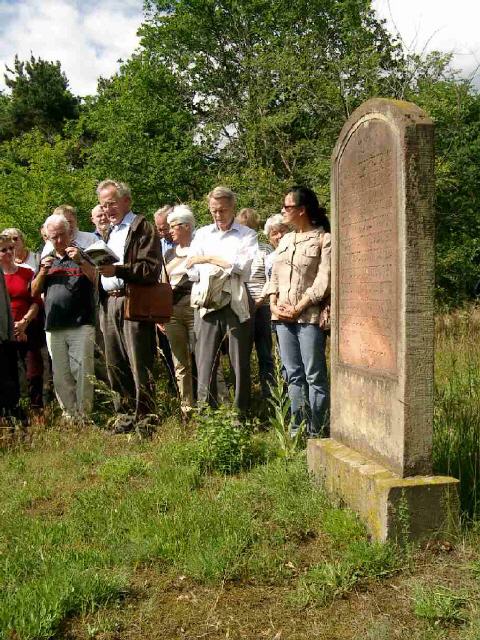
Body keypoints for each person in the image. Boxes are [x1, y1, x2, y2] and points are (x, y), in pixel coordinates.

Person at [96, 179, 161, 433]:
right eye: (103, 205)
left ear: (127, 201)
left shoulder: (142, 227)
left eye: (111, 203)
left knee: (139, 362)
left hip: (133, 300)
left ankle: (146, 418)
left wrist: (118, 270)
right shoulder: (109, 232)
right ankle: (124, 417)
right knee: (115, 364)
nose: (107, 209)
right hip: (109, 302)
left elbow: (150, 269)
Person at [187, 186, 258, 416]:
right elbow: (192, 271)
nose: (219, 215)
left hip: (235, 299)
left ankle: (240, 414)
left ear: (233, 208)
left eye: (223, 210)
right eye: (214, 210)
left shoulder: (247, 234)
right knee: (205, 360)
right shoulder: (202, 234)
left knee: (240, 361)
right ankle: (207, 413)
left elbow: (241, 266)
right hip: (207, 300)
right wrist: (218, 262)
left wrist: (207, 259)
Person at [268, 186, 331, 437]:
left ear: (302, 210)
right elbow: (274, 277)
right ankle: (298, 431)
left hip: (308, 318)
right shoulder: (284, 240)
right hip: (282, 319)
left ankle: (317, 431)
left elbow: (323, 281)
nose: (283, 210)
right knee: (293, 375)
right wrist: (273, 304)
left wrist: (299, 306)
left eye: (288, 207)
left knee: (314, 375)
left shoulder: (323, 239)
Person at [31, 214, 96, 421]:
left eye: (61, 235)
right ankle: (70, 417)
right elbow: (33, 292)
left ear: (70, 233)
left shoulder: (83, 254)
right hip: (54, 325)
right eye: (53, 237)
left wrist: (80, 261)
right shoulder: (45, 259)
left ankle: (84, 416)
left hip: (81, 323)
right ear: (48, 237)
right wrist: (43, 272)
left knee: (82, 372)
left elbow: (97, 280)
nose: (58, 241)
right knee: (60, 375)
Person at [0, 234, 43, 410]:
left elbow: (36, 301)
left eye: (11, 248)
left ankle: (37, 409)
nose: (10, 252)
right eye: (4, 250)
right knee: (9, 375)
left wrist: (24, 323)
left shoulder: (26, 272)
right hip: (5, 332)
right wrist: (12, 328)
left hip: (28, 328)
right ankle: (14, 412)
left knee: (34, 373)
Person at [235, 208, 274, 399]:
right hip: (239, 307)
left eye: (249, 227)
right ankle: (245, 396)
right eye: (242, 227)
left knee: (265, 352)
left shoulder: (265, 249)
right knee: (241, 354)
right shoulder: (234, 250)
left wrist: (258, 301)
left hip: (262, 307)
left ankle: (269, 393)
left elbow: (271, 278)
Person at [163, 205, 196, 416]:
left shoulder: (200, 249)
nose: (170, 231)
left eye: (174, 226)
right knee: (180, 363)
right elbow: (162, 282)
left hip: (195, 309)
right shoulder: (168, 254)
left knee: (204, 358)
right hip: (171, 312)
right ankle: (187, 408)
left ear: (186, 226)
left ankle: (217, 405)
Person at [0, 264, 20, 421]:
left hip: (3, 336)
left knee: (7, 383)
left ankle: (9, 419)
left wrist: (9, 334)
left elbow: (5, 301)